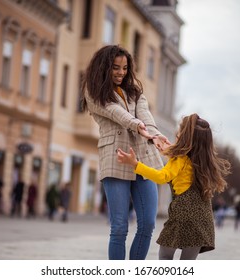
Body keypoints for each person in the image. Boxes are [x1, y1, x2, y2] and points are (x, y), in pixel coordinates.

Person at [81, 45, 170, 260]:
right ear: (104, 67)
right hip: (116, 156)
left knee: (148, 223)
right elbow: (115, 112)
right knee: (119, 227)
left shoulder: (135, 92)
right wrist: (137, 125)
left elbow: (146, 116)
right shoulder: (94, 92)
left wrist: (155, 134)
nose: (121, 72)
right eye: (115, 68)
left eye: (124, 68)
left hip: (142, 158)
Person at [117, 113, 231, 260]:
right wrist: (166, 149)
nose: (177, 135)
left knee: (165, 256)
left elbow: (161, 176)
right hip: (203, 219)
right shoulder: (202, 162)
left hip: (183, 214)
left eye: (179, 132)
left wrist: (135, 164)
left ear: (184, 138)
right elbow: (180, 164)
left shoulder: (180, 159)